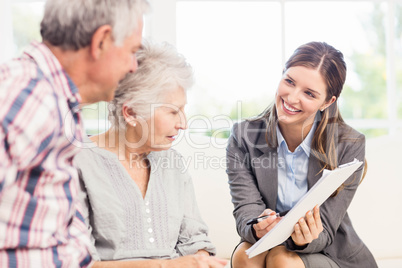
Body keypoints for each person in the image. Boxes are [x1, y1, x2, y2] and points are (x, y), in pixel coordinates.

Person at [0, 0, 148, 266]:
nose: (133, 67)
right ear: (101, 41)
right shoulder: (28, 96)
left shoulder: (56, 99)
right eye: (131, 51)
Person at [73, 40, 227, 268]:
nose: (183, 124)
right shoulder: (78, 163)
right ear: (131, 112)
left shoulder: (172, 162)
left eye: (183, 110)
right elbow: (79, 263)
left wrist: (201, 260)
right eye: (173, 111)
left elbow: (195, 241)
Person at [226, 41, 377, 268]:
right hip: (266, 243)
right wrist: (257, 226)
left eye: (309, 93)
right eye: (289, 81)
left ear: (328, 102)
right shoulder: (243, 136)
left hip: (329, 251)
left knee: (282, 260)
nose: (292, 98)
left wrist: (305, 237)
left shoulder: (349, 145)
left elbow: (325, 229)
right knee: (244, 255)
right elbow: (246, 211)